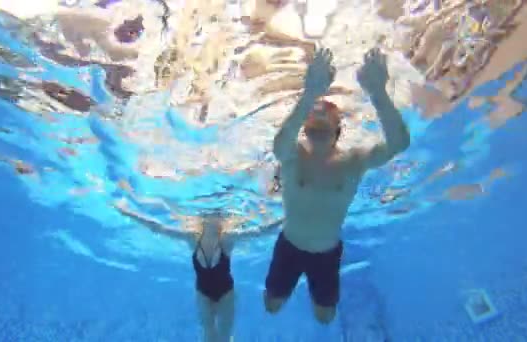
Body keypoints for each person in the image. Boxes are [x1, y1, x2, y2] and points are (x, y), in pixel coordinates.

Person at [263, 47, 411, 324]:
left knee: (325, 317)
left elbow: (398, 143)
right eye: (312, 112)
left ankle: (317, 294)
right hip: (289, 248)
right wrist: (309, 94)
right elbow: (279, 143)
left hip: (326, 255)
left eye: (325, 111)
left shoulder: (353, 161)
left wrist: (378, 93)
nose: (317, 111)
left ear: (338, 128)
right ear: (304, 123)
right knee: (271, 306)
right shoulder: (293, 155)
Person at [114, 200, 283, 342]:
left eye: (218, 217)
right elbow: (158, 228)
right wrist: (128, 213)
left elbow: (260, 231)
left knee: (224, 337)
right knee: (208, 335)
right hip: (203, 294)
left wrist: (287, 218)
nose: (216, 220)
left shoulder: (228, 240)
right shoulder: (192, 239)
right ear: (204, 221)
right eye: (212, 217)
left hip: (226, 295)